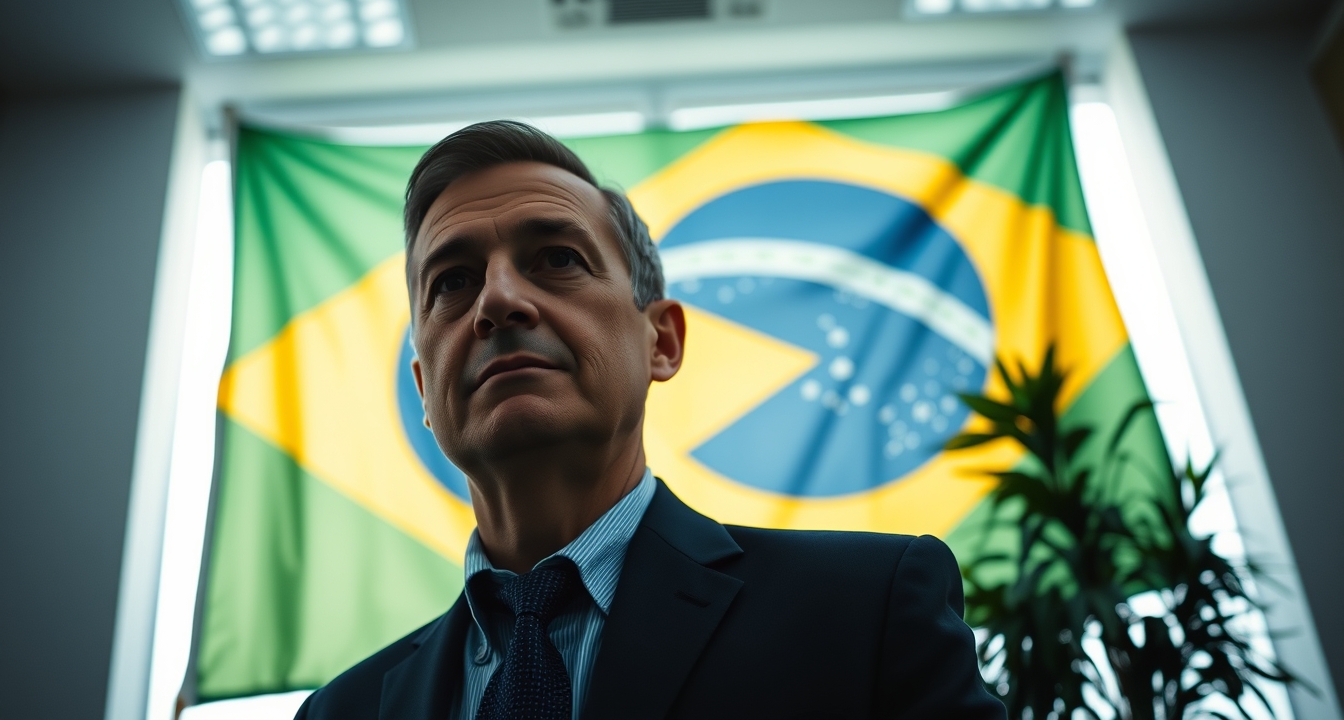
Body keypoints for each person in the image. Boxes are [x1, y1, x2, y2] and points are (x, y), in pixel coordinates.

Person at [295, 121, 1005, 720]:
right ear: (424, 388)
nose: (499, 301)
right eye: (453, 281)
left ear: (661, 341)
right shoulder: (338, 713)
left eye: (556, 259)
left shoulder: (866, 614)